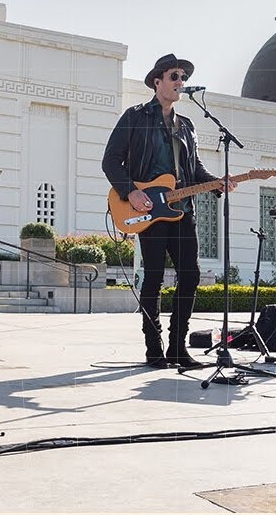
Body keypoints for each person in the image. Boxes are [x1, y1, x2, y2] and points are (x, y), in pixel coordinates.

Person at [102, 53, 234, 368]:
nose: (180, 82)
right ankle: (154, 349)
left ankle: (177, 348)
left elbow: (195, 169)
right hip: (148, 210)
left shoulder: (186, 126)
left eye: (183, 77)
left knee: (191, 276)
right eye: (174, 76)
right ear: (157, 81)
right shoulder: (134, 117)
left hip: (182, 210)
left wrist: (216, 182)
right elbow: (110, 161)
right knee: (154, 278)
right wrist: (130, 192)